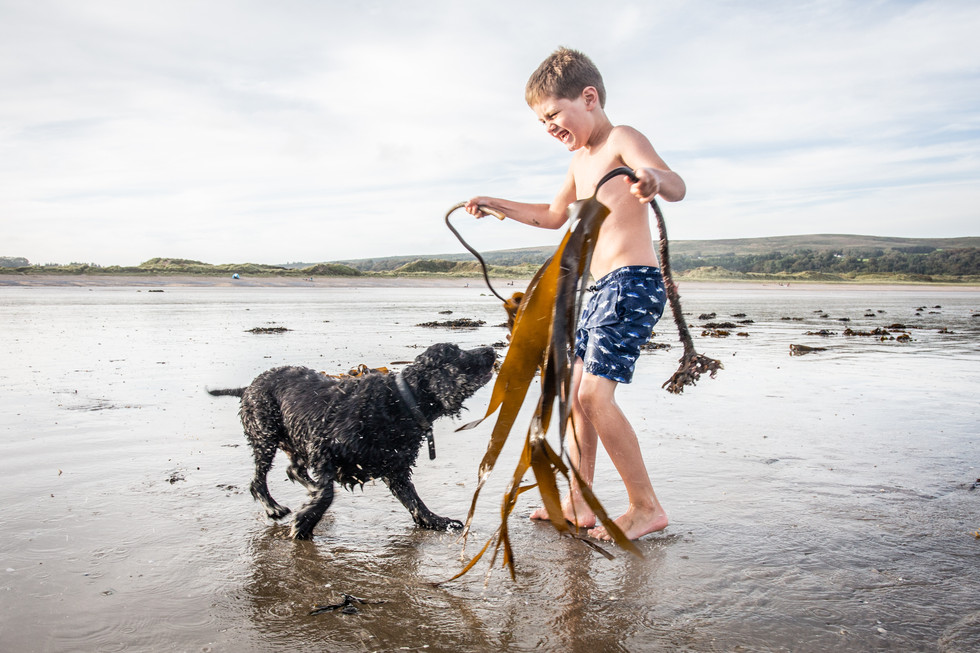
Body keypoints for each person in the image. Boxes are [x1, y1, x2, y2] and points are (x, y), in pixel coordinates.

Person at [465, 47, 686, 541]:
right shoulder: (579, 164)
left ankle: (645, 506)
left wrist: (652, 179)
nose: (548, 127)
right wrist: (493, 202)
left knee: (593, 394)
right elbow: (551, 214)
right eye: (540, 121)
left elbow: (677, 184)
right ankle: (580, 501)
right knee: (576, 398)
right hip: (600, 289)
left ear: (589, 98)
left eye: (552, 115)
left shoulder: (621, 140)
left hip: (633, 283)